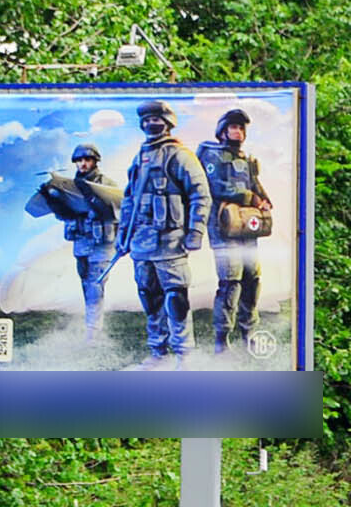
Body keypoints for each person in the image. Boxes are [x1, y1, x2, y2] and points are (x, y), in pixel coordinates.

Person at [116, 99, 209, 365]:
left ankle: (184, 354)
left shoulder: (180, 155)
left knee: (176, 297)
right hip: (141, 242)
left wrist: (195, 232)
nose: (150, 124)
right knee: (149, 297)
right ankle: (158, 352)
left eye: (155, 120)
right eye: (146, 121)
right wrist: (123, 235)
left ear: (168, 123)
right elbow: (129, 200)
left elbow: (200, 195)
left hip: (171, 242)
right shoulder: (140, 157)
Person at [195, 107, 276, 355]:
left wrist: (264, 199)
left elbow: (254, 183)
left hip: (246, 226)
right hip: (223, 225)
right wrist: (251, 197)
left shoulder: (247, 159)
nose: (238, 131)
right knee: (231, 281)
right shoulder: (212, 155)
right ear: (222, 130)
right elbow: (216, 186)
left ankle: (248, 332)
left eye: (241, 127)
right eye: (233, 127)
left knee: (252, 279)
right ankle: (222, 339)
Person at [23, 143, 123, 337]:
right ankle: (92, 326)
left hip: (102, 243)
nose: (83, 164)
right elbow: (65, 215)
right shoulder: (70, 185)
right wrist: (52, 199)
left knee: (95, 285)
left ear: (95, 161)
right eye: (79, 160)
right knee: (86, 283)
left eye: (87, 160)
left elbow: (115, 211)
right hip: (81, 242)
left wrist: (91, 195)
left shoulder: (107, 184)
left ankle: (93, 332)